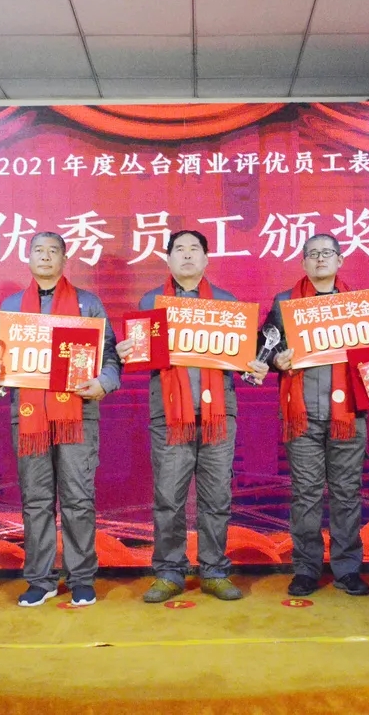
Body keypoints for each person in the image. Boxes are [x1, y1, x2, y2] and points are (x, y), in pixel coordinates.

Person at [116, 230, 268, 603]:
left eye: (194, 249)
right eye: (179, 250)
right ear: (168, 259)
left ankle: (214, 571)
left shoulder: (227, 303)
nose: (187, 255)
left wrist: (254, 365)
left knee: (216, 497)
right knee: (169, 497)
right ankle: (169, 573)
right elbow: (143, 355)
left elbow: (242, 358)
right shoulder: (152, 301)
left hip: (219, 414)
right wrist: (128, 350)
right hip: (169, 414)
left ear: (206, 258)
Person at [0, 232, 120, 608]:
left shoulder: (88, 303)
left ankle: (81, 578)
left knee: (78, 498)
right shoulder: (12, 306)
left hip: (78, 413)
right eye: (38, 251)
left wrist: (104, 383)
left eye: (52, 251)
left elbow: (110, 355)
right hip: (29, 418)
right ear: (28, 257)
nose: (45, 257)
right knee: (36, 500)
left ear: (64, 258)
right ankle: (41, 580)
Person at [264, 234, 369, 598]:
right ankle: (306, 569)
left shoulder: (361, 305)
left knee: (346, 493)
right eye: (313, 254)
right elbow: (265, 347)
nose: (320, 259)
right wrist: (276, 360)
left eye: (327, 253)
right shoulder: (284, 303)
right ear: (303, 263)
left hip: (348, 412)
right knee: (305, 495)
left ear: (340, 260)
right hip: (302, 413)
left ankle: (347, 569)